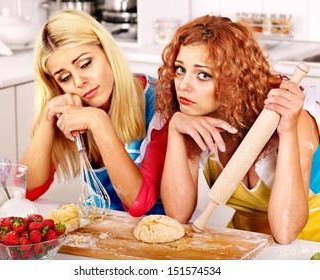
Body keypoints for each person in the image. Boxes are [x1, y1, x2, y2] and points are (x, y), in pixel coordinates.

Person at [155, 15, 320, 244]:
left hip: (308, 248)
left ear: (235, 80)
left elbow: (285, 232)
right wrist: (175, 129)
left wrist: (288, 132)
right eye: (180, 70)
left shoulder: (292, 119)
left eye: (204, 75)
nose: (183, 85)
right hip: (244, 243)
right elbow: (177, 215)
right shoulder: (196, 116)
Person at [20, 9, 168, 217]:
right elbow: (25, 190)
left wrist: (98, 122)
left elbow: (139, 203)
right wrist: (48, 117)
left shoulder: (159, 100)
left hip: (154, 230)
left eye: (85, 64)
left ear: (107, 52)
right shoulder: (74, 106)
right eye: (64, 78)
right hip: (99, 226)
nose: (79, 82)